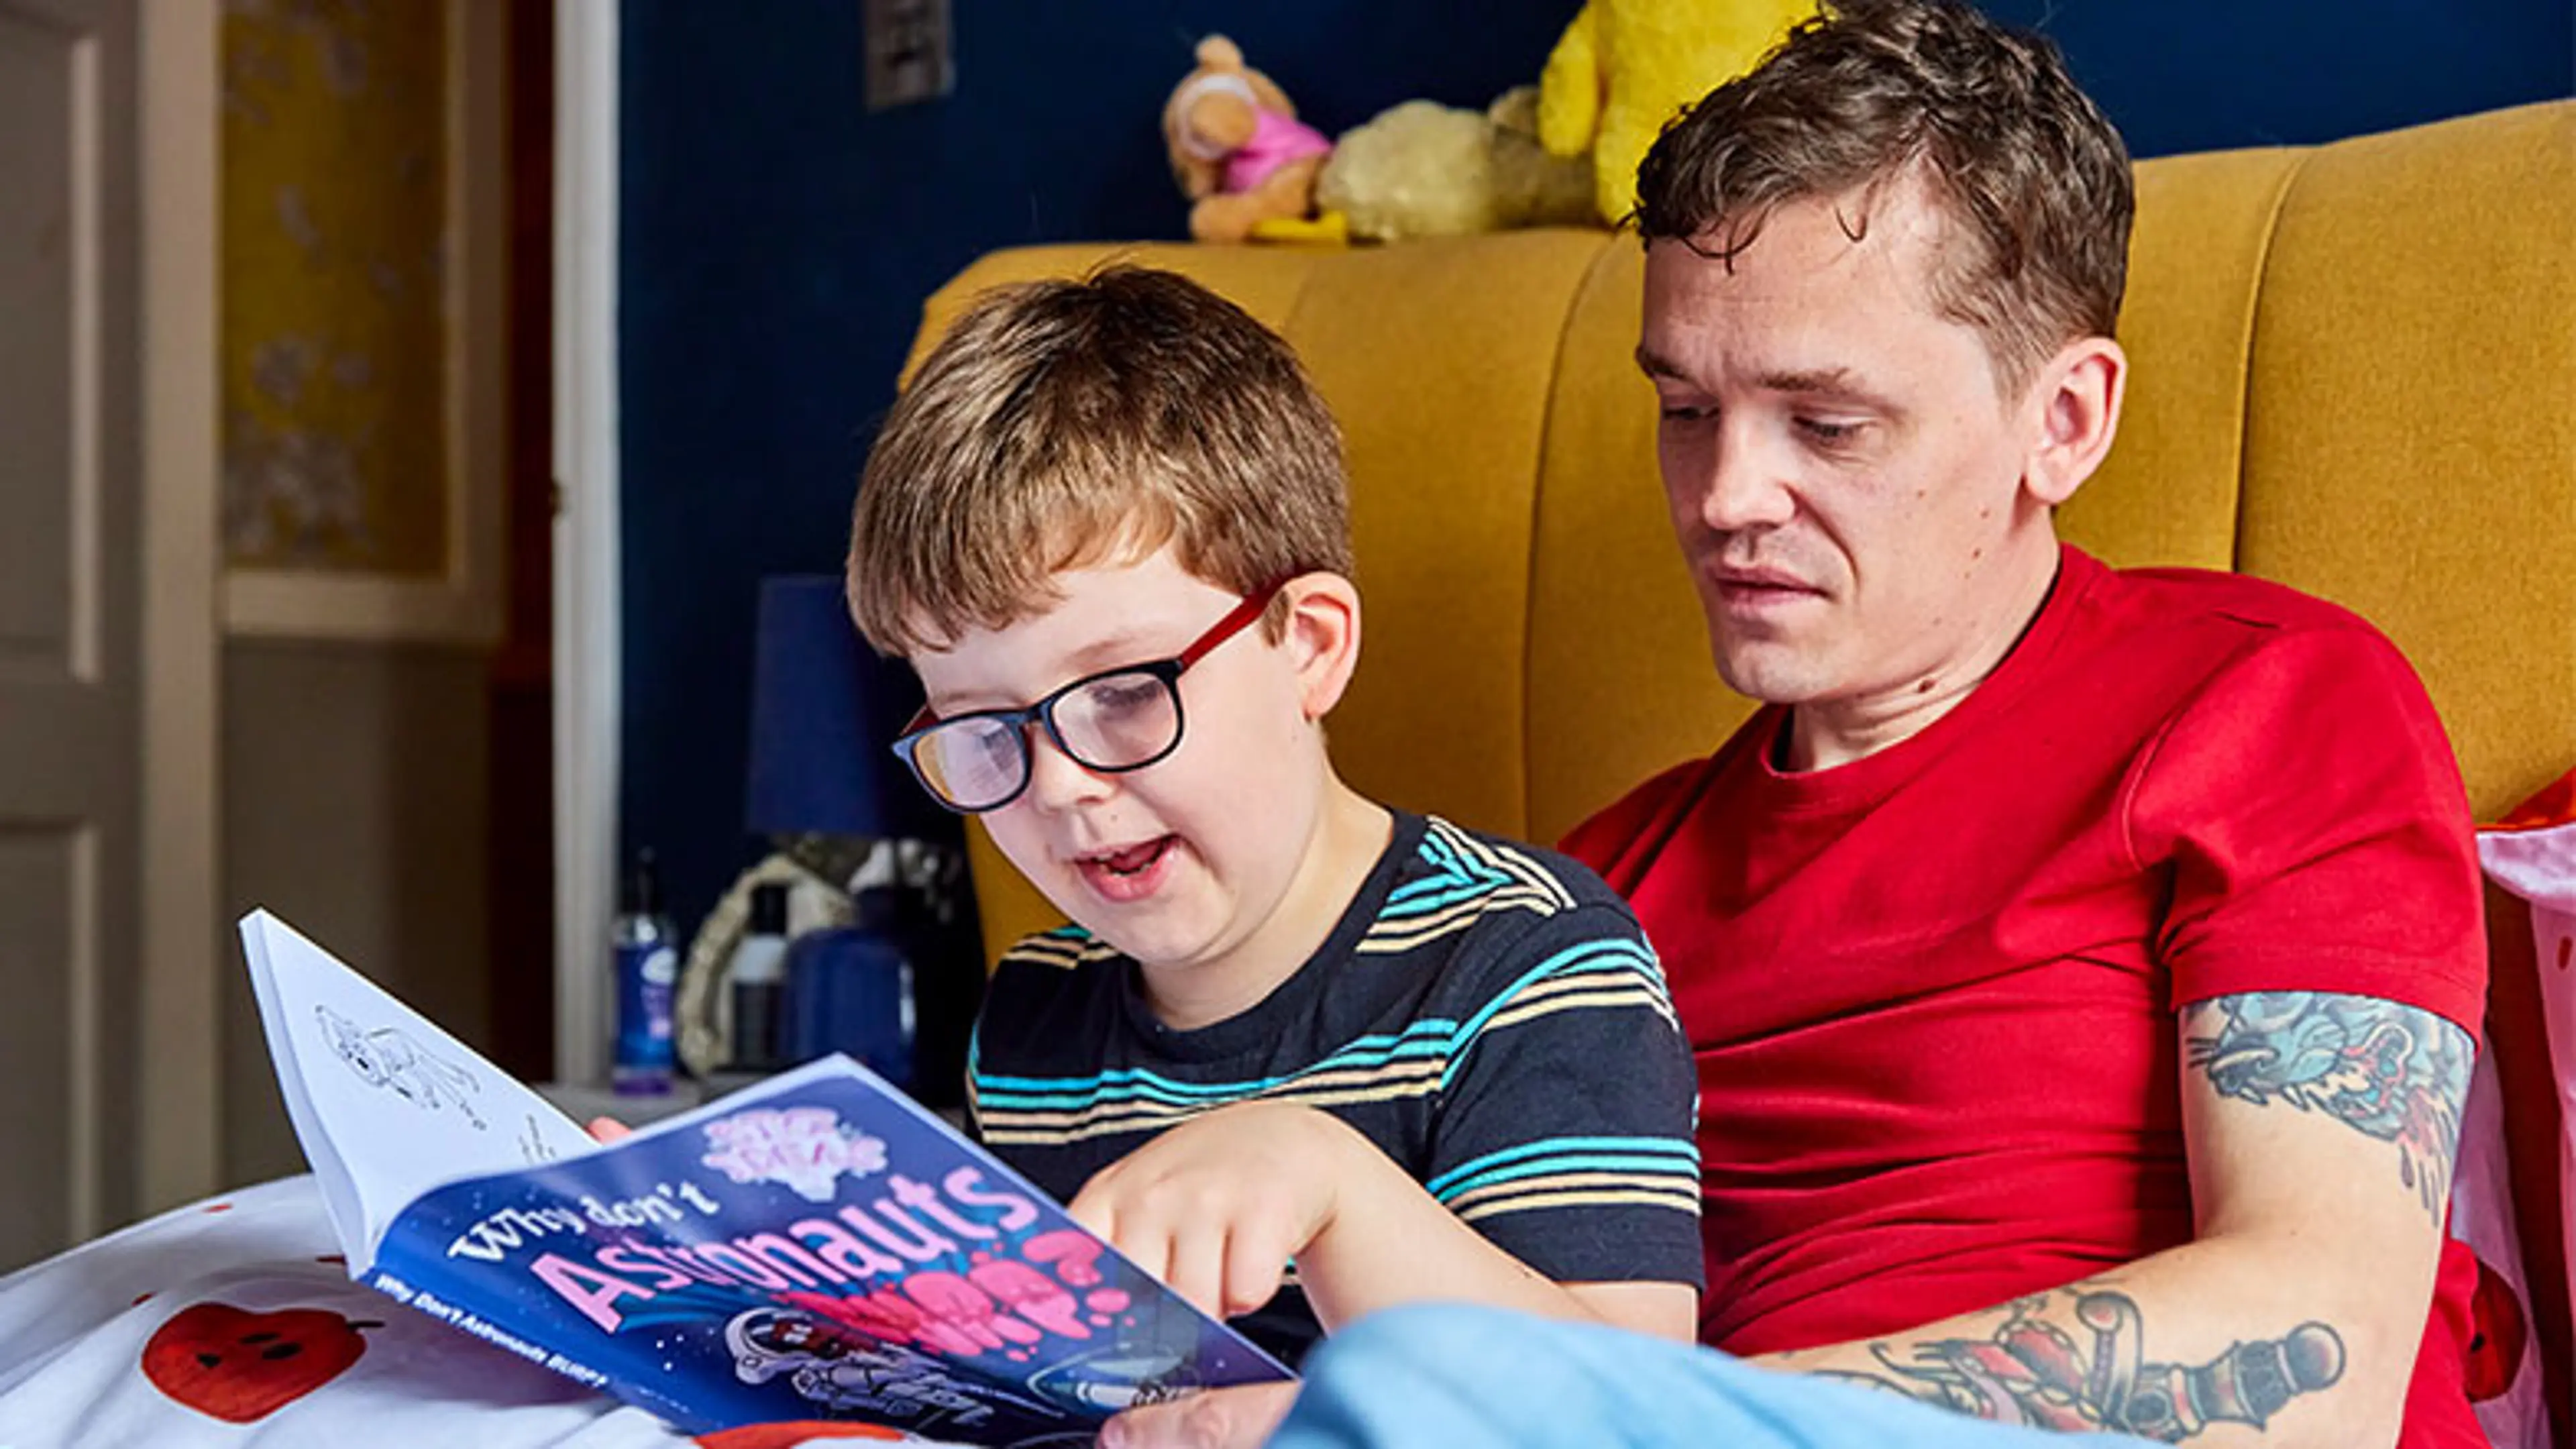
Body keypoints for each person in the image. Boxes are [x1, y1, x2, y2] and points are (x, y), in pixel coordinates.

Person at [1110, 2, 2489, 1447]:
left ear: (2064, 420)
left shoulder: (2266, 703)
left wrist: (1599, 1421)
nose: (1723, 498)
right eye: (1688, 410)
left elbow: (2320, 1353)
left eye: (1824, 424)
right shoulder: (1591, 899)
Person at [837, 266, 1707, 1391]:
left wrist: (1325, 1181)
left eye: (1123, 693)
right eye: (983, 729)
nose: (1056, 788)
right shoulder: (1033, 1022)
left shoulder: (1527, 966)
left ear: (1308, 646)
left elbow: (1630, 1409)